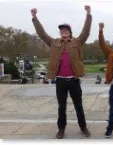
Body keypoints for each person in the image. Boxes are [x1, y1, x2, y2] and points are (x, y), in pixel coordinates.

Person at [31, 5, 92, 139]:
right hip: (60, 80)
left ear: (69, 32)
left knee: (78, 106)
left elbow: (86, 32)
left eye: (65, 30)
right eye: (61, 30)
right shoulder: (53, 43)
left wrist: (88, 14)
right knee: (61, 107)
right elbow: (42, 34)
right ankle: (61, 129)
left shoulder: (77, 42)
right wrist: (35, 18)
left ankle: (83, 127)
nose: (63, 32)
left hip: (74, 80)